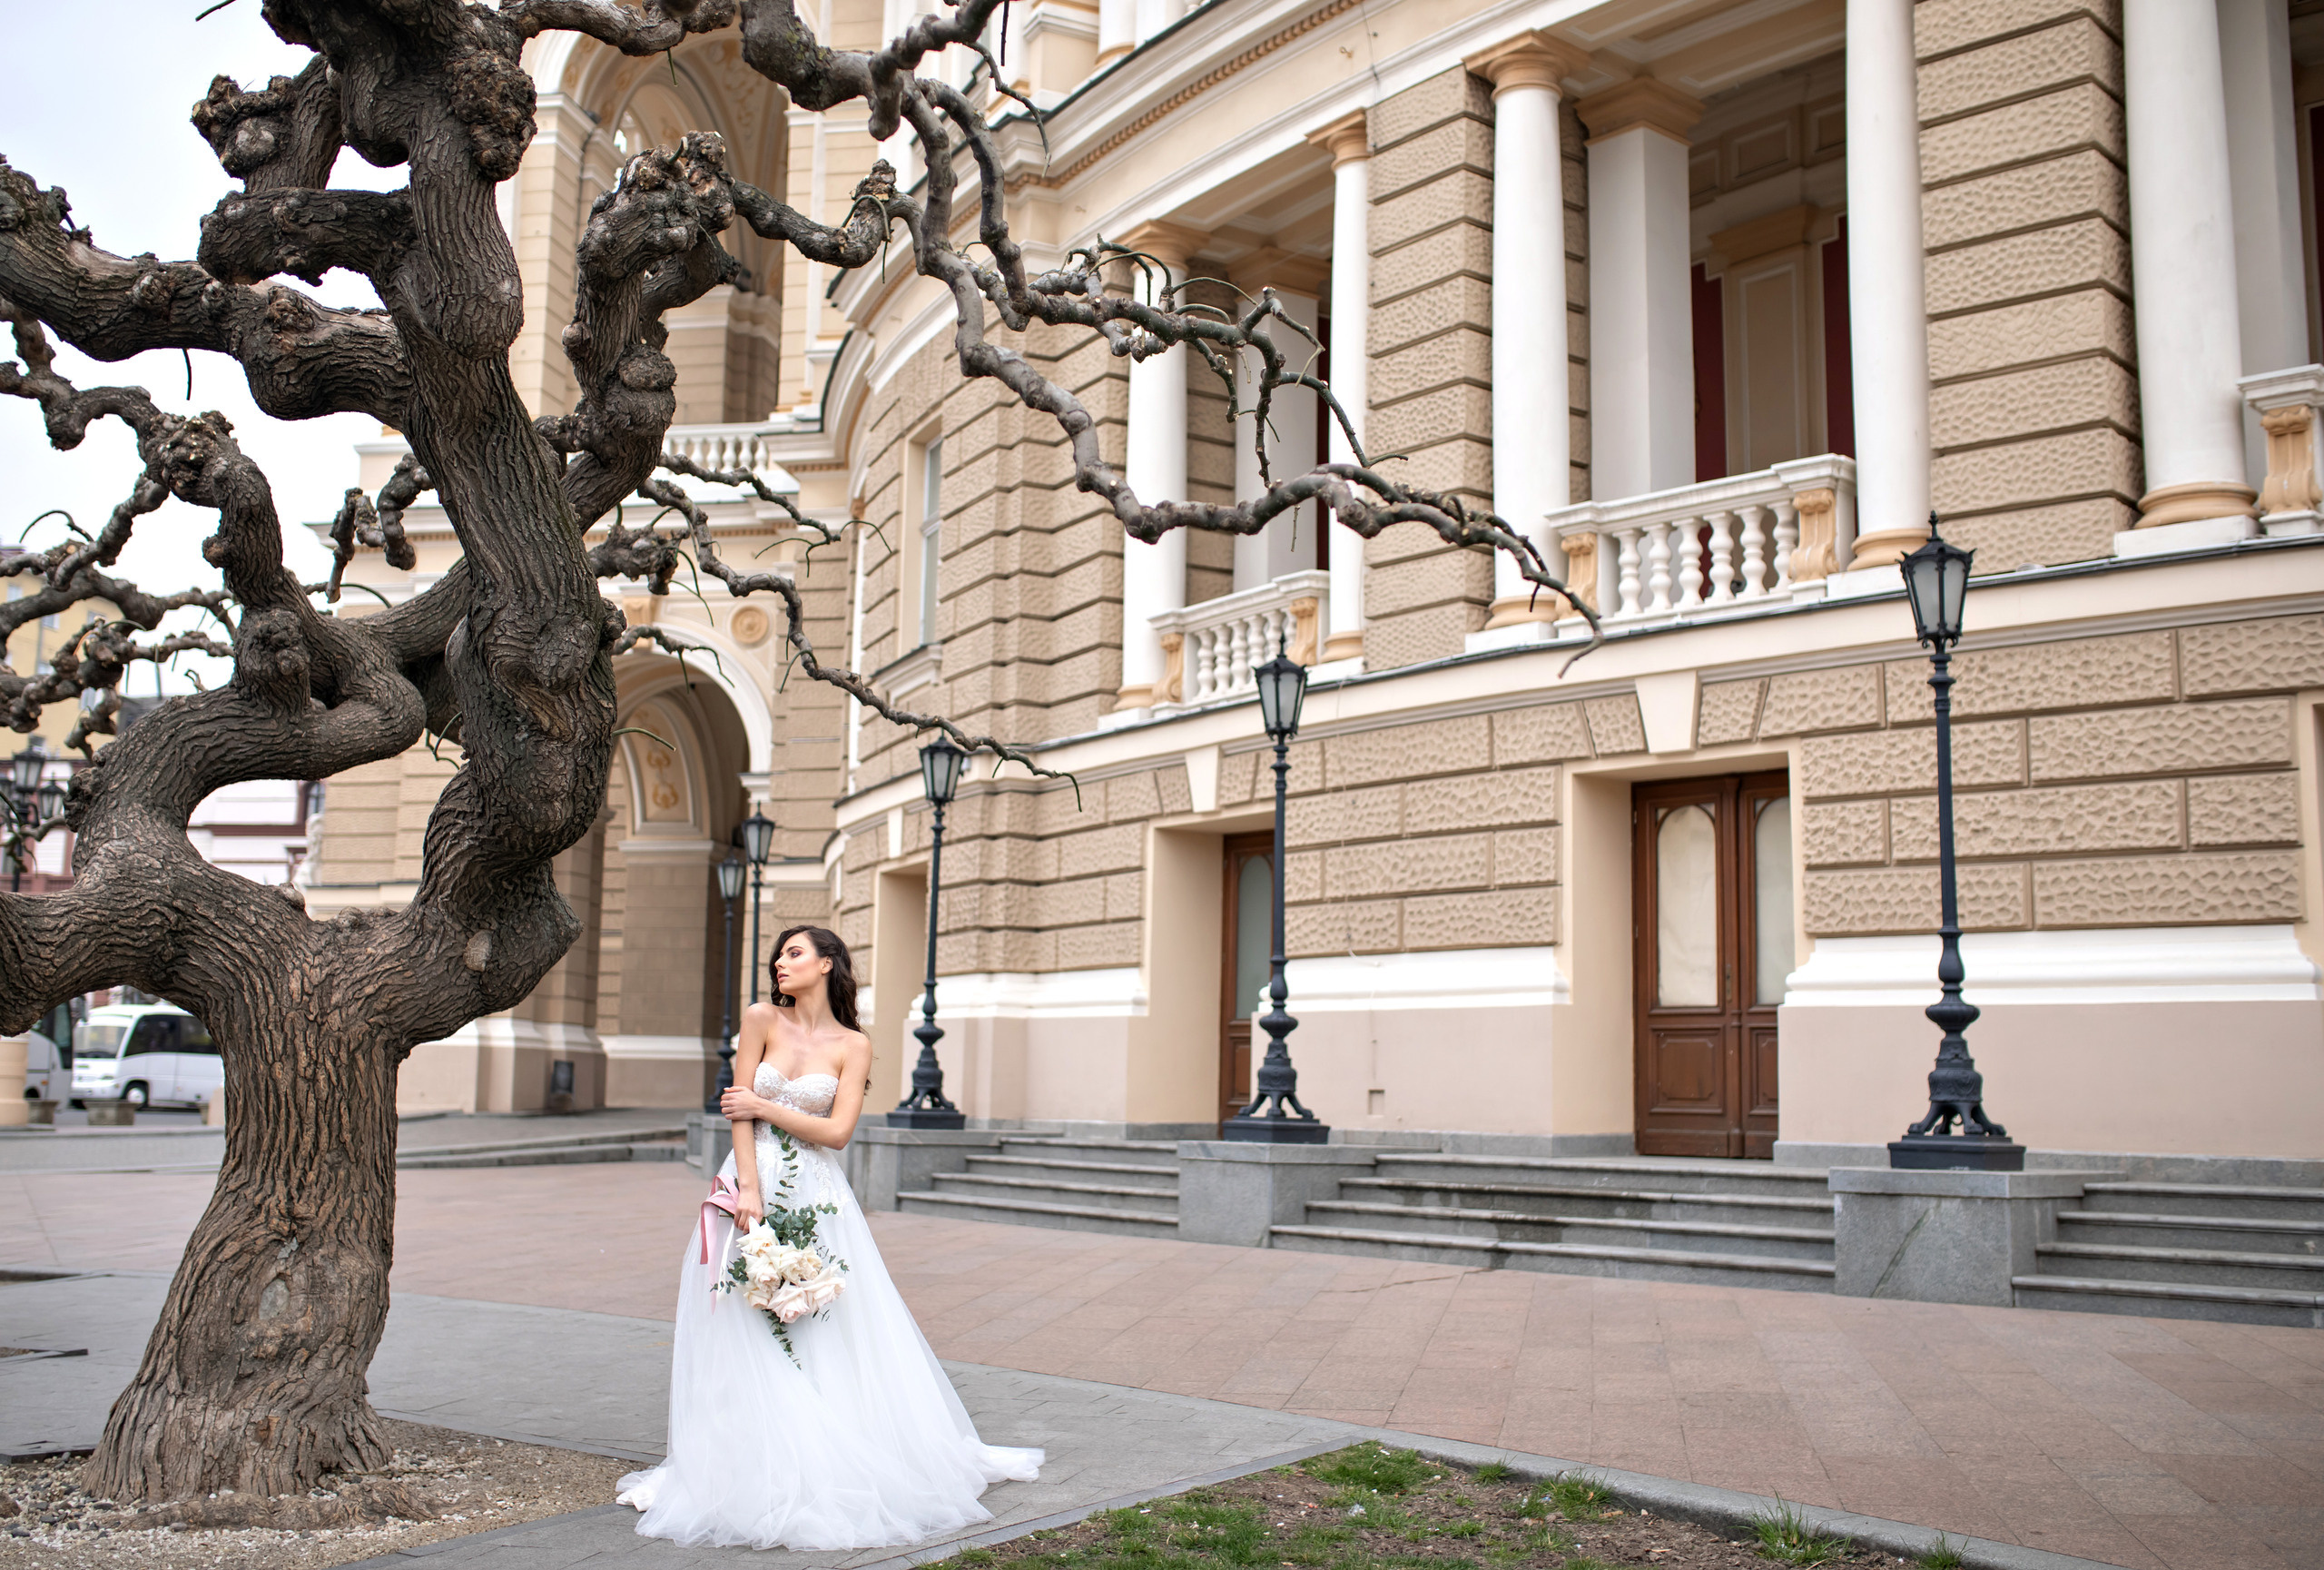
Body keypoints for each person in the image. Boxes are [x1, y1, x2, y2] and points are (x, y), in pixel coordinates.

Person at [617, 923, 1041, 1548]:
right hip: (747, 1186)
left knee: (821, 1321)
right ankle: (746, 1459)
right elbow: (736, 1107)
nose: (781, 963)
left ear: (828, 963)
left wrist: (765, 1108)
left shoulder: (853, 1044)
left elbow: (837, 1130)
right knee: (743, 1319)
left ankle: (832, 1448)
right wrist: (751, 1188)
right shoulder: (761, 1018)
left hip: (819, 1196)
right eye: (778, 955)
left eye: (794, 952)